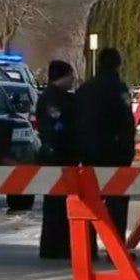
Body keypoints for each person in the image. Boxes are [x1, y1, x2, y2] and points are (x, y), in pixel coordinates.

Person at [75, 48, 137, 251]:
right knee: (116, 204)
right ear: (117, 64)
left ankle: (87, 246)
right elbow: (127, 122)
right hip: (115, 152)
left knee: (90, 201)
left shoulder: (85, 89)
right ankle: (115, 248)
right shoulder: (118, 89)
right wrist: (128, 149)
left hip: (89, 151)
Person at [35, 60, 78, 259]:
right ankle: (54, 247)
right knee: (55, 206)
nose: (73, 80)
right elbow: (58, 127)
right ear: (62, 76)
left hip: (57, 155)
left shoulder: (55, 97)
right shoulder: (53, 100)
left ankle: (56, 245)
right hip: (57, 156)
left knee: (58, 205)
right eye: (70, 76)